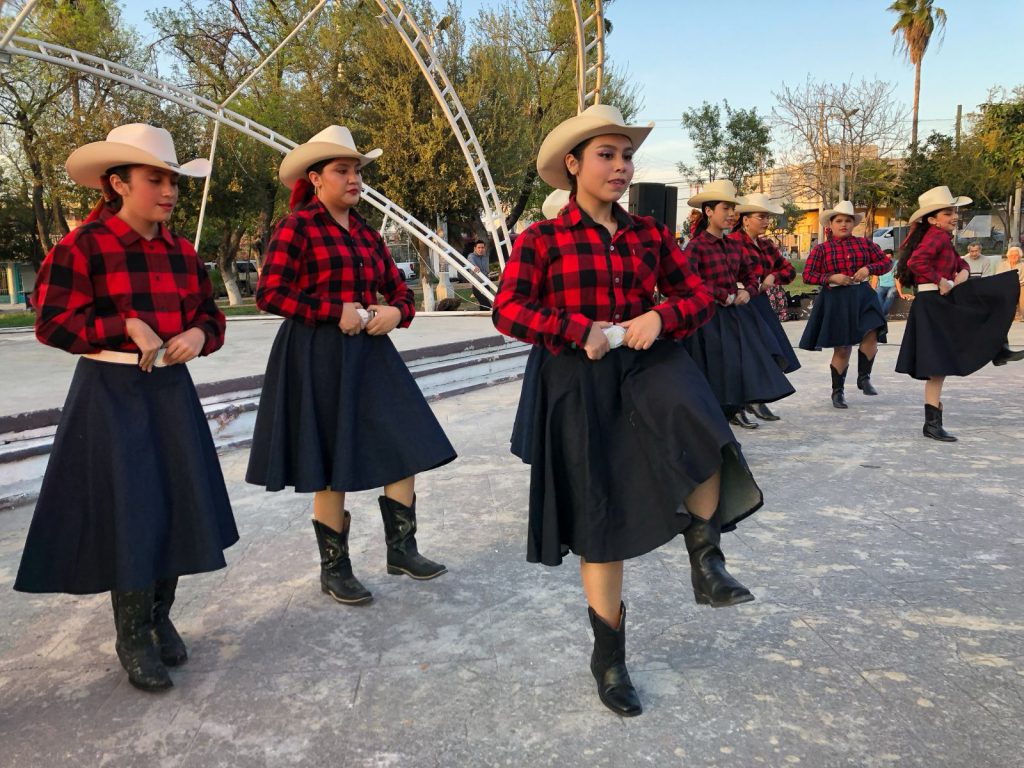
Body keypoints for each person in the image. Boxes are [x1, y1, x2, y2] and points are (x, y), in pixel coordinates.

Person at [493, 104, 763, 717]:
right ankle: (609, 658)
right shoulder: (543, 238)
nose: (620, 166)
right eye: (606, 155)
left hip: (648, 364)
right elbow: (507, 310)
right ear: (573, 165)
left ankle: (707, 559)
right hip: (578, 379)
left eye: (626, 155)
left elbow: (695, 295)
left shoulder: (648, 234)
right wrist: (572, 327)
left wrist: (659, 317)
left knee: (704, 427)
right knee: (601, 517)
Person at [14, 124, 239, 692]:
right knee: (132, 510)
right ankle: (133, 633)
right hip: (110, 396)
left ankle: (161, 617)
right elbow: (52, 324)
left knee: (174, 503)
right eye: (155, 179)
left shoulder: (182, 251)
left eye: (173, 181)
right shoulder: (81, 246)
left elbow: (213, 318)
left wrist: (196, 334)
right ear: (117, 183)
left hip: (170, 392)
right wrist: (122, 325)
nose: (168, 191)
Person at [246, 125, 457, 605]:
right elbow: (269, 293)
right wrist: (330, 310)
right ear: (316, 178)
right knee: (327, 460)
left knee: (406, 438)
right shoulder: (297, 227)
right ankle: (335, 569)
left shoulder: (365, 233)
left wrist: (397, 311)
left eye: (356, 170)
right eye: (342, 170)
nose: (353, 179)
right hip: (315, 353)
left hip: (369, 351)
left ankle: (401, 549)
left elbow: (399, 289)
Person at [895, 186, 1024, 441]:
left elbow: (960, 262)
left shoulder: (940, 237)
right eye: (947, 212)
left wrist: (963, 272)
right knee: (996, 294)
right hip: (934, 300)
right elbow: (916, 263)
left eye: (954, 211)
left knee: (938, 364)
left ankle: (998, 347)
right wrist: (941, 281)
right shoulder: (935, 236)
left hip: (935, 301)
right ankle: (998, 347)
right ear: (932, 219)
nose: (954, 216)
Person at [682, 180, 795, 430]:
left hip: (735, 314)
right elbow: (689, 281)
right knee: (714, 368)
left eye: (733, 208)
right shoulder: (696, 246)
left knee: (742, 362)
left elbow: (749, 276)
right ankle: (720, 418)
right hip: (707, 318)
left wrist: (749, 291)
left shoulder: (733, 245)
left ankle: (735, 409)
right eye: (726, 208)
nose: (732, 214)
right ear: (709, 211)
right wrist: (721, 294)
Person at [798, 201, 891, 407]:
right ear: (830, 224)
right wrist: (832, 277)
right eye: (839, 220)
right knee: (842, 347)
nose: (844, 224)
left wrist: (869, 269)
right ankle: (837, 391)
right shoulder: (822, 249)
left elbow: (886, 263)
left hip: (863, 295)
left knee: (873, 332)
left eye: (848, 221)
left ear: (853, 224)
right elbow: (808, 275)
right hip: (837, 299)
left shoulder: (865, 244)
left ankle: (864, 377)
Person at [729, 192, 801, 423]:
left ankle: (756, 399)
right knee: (745, 353)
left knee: (771, 347)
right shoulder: (731, 243)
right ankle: (740, 404)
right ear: (745, 219)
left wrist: (772, 276)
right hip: (739, 301)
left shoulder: (767, 245)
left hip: (759, 302)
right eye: (761, 216)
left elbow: (789, 271)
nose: (766, 221)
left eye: (767, 217)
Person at [996, 245, 1024, 320]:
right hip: (1005, 285)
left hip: (1020, 285)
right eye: (1011, 255)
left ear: (1020, 256)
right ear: (1008, 256)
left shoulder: (1022, 265)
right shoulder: (1002, 265)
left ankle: (1021, 315)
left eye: (1016, 255)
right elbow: (998, 277)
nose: (1014, 257)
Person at [467, 239, 493, 310]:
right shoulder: (471, 256)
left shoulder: (486, 257)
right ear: (475, 248)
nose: (481, 249)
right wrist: (474, 266)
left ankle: (481, 319)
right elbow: (471, 262)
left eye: (482, 247)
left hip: (486, 284)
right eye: (479, 248)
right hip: (477, 285)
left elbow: (486, 271)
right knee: (486, 305)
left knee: (483, 305)